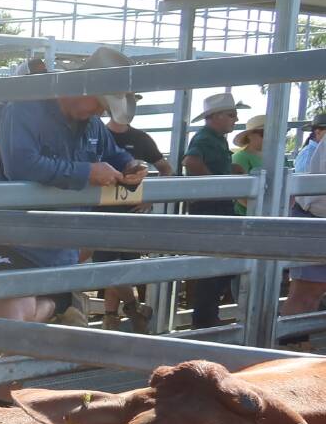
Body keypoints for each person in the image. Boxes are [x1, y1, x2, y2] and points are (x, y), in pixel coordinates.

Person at [0, 46, 145, 406]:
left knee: (18, 335)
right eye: (100, 104)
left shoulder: (91, 127)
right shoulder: (24, 108)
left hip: (60, 246)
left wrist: (134, 164)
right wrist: (87, 172)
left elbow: (116, 155)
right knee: (13, 329)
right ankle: (56, 305)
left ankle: (9, 413)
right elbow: (20, 165)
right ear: (83, 89)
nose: (100, 112)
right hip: (13, 239)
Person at [98, 96, 174, 333]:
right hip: (99, 212)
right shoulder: (97, 133)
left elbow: (165, 169)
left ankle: (112, 317)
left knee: (118, 266)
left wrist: (149, 198)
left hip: (128, 212)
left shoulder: (140, 138)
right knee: (109, 266)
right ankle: (132, 308)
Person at [182, 92, 249, 330]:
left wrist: (229, 172)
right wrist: (216, 185)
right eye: (231, 114)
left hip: (215, 206)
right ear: (216, 116)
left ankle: (206, 317)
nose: (235, 118)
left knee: (220, 264)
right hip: (212, 206)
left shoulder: (214, 139)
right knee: (217, 265)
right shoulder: (206, 138)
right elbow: (190, 162)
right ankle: (204, 319)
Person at [280, 139, 326, 350]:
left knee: (309, 292)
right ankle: (291, 349)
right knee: (307, 292)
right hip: (317, 214)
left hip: (317, 211)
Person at [232, 114, 266, 215]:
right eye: (263, 133)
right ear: (250, 135)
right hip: (247, 216)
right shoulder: (240, 157)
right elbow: (238, 193)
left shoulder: (280, 157)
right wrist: (262, 209)